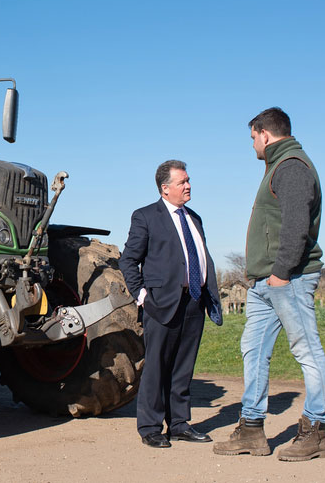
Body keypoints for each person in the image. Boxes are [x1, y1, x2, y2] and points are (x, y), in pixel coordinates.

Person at [213, 107, 325, 461]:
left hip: (287, 279)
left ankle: (315, 431)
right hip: (266, 283)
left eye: (252, 138)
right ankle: (251, 429)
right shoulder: (277, 166)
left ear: (265, 133)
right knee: (253, 350)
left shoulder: (291, 166)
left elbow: (295, 226)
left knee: (306, 351)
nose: (252, 146)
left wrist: (280, 273)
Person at [119, 160, 223, 449]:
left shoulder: (195, 218)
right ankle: (151, 427)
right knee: (156, 367)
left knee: (183, 367)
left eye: (188, 180)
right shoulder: (145, 217)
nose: (188, 185)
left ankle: (178, 424)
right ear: (165, 189)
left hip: (193, 302)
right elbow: (128, 260)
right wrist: (142, 296)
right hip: (161, 304)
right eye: (182, 182)